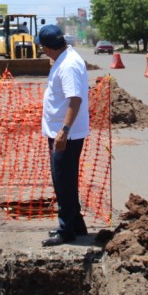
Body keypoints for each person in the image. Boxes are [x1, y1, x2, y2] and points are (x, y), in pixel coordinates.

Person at [37, 24, 89, 246]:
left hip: (66, 134)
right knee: (66, 179)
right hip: (63, 132)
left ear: (47, 48)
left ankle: (66, 229)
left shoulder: (68, 65)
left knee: (63, 181)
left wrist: (64, 131)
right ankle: (76, 222)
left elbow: (74, 99)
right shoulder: (65, 58)